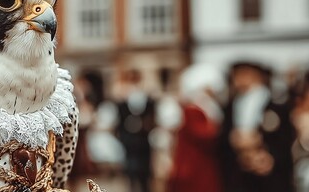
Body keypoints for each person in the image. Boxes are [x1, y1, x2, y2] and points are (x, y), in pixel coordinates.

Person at [219, 62, 295, 192]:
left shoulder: (276, 105)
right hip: (241, 176)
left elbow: (286, 138)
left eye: (245, 74)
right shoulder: (230, 106)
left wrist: (270, 157)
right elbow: (222, 139)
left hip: (271, 177)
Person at [166, 64, 224, 192]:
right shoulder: (193, 110)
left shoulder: (201, 108)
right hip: (195, 164)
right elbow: (204, 135)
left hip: (202, 162)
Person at [114, 69, 155, 192]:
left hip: (144, 141)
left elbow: (152, 119)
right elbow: (119, 121)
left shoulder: (148, 100)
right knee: (131, 172)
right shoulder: (122, 101)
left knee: (145, 173)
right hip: (129, 141)